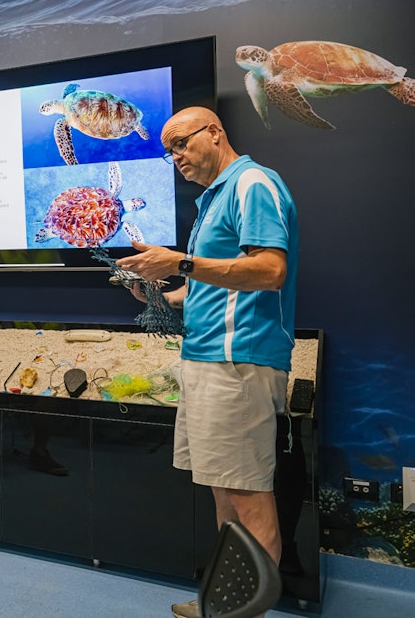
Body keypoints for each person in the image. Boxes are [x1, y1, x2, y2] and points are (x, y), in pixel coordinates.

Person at [115, 107, 298, 618]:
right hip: (205, 357)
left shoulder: (252, 184)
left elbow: (270, 270)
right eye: (168, 150)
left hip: (239, 359)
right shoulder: (214, 198)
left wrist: (179, 261)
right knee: (224, 489)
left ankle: (245, 613)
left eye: (180, 144)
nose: (174, 157)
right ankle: (225, 603)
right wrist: (161, 293)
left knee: (248, 495)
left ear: (215, 132)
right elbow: (207, 284)